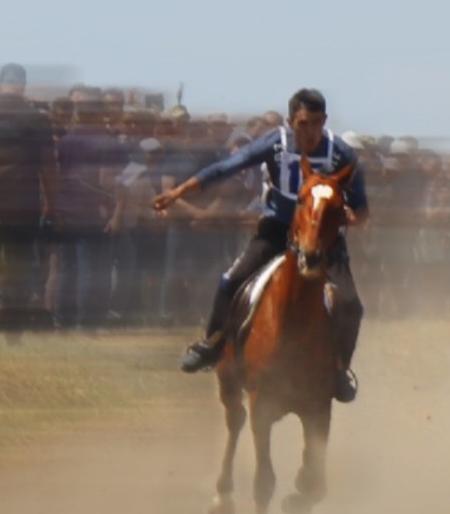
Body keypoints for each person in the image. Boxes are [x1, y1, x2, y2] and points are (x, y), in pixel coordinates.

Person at [155, 87, 367, 401]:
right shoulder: (275, 144)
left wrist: (348, 216)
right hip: (277, 231)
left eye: (316, 123)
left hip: (323, 240)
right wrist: (179, 192)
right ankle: (211, 344)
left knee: (351, 304)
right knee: (231, 281)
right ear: (290, 121)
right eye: (303, 123)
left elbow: (361, 210)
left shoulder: (342, 154)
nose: (310, 132)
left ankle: (338, 370)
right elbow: (225, 169)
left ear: (325, 120)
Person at [0, 62, 58, 330]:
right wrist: (52, 203)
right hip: (23, 201)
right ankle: (10, 308)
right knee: (20, 257)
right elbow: (47, 165)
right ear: (22, 86)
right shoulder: (37, 119)